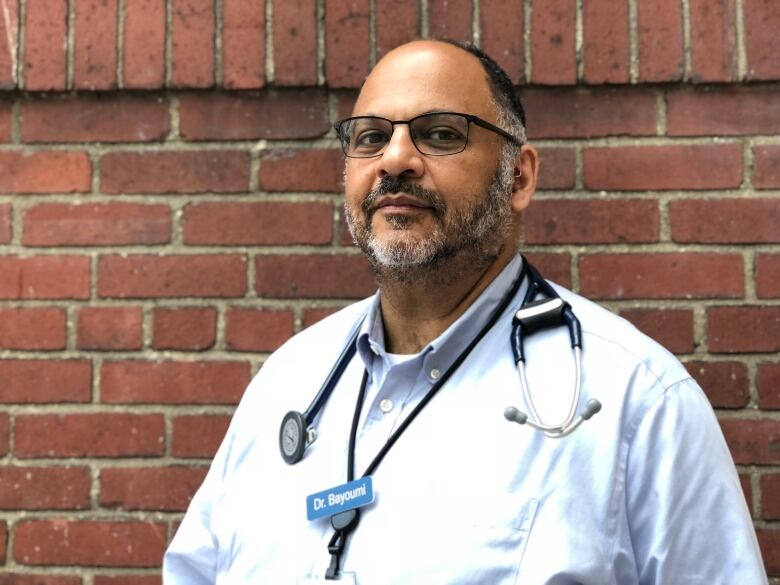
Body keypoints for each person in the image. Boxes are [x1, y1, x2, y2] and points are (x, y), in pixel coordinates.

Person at [162, 39, 767, 584]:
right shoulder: (288, 381)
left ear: (519, 178)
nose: (395, 159)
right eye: (370, 136)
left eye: (442, 134)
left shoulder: (635, 400)